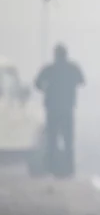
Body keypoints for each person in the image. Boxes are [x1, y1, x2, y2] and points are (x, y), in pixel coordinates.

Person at [34, 44, 85, 178]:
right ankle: (68, 168)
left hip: (52, 109)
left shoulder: (49, 69)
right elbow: (82, 81)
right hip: (67, 108)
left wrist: (46, 89)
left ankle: (52, 167)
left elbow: (37, 83)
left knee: (52, 140)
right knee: (68, 140)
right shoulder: (72, 68)